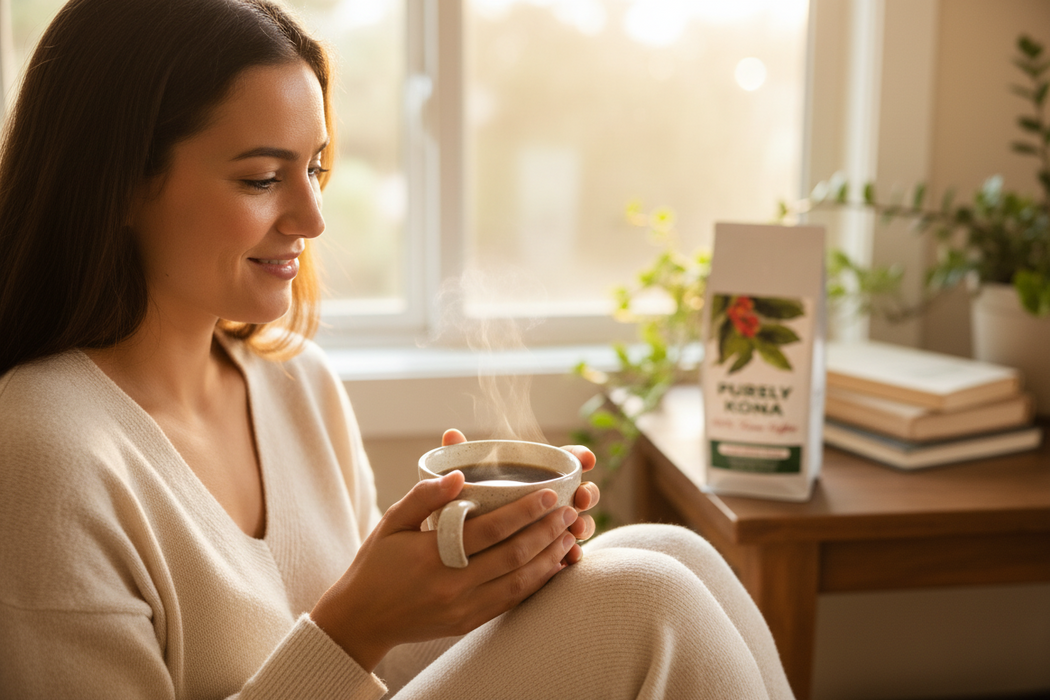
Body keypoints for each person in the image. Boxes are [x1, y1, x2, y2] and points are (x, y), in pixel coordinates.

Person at [0, 0, 795, 698]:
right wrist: (353, 625)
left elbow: (388, 667)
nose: (312, 219)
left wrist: (490, 572)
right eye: (260, 179)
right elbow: (351, 644)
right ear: (122, 183)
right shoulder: (44, 448)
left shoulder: (296, 386)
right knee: (645, 598)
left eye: (314, 168)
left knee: (666, 551)